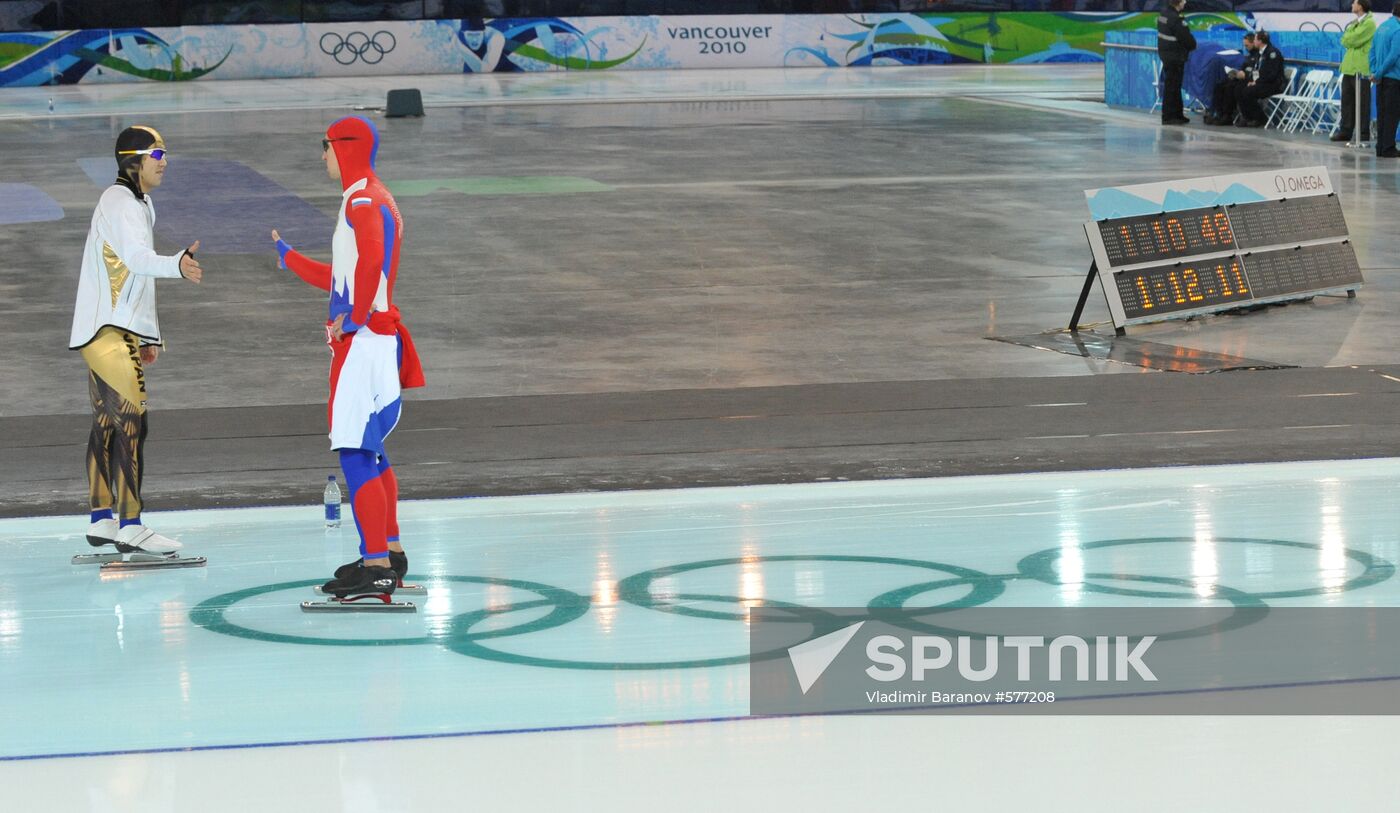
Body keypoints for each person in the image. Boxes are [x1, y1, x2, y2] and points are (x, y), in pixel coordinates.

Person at [271, 116, 425, 600]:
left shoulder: (362, 200)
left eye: (325, 146)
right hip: (374, 341)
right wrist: (289, 258)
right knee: (372, 450)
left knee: (355, 452)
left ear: (345, 147)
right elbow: (346, 275)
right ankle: (388, 552)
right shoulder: (370, 195)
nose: (322, 156)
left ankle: (376, 565)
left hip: (364, 344)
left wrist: (356, 318)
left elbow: (373, 263)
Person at [70, 125, 203, 558]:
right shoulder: (120, 201)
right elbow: (138, 261)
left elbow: (134, 280)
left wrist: (149, 335)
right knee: (133, 423)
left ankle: (101, 518)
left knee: (107, 424)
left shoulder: (139, 203)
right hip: (108, 330)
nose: (164, 162)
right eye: (157, 155)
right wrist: (178, 265)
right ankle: (131, 524)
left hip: (109, 328)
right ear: (134, 160)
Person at [1333, 0, 1376, 142]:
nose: (1352, 5)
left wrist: (1349, 37)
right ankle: (1345, 131)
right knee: (1347, 101)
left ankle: (1363, 133)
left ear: (1361, 6)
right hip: (1349, 68)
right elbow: (1344, 40)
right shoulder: (1354, 22)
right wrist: (1349, 36)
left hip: (1361, 69)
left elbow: (1354, 40)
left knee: (1362, 103)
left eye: (1354, 3)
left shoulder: (1369, 23)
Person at [1234, 31, 1286, 127]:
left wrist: (1256, 82)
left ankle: (1260, 118)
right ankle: (1247, 117)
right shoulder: (1260, 53)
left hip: (1273, 84)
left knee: (1248, 91)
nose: (1253, 41)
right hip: (1261, 82)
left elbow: (1271, 75)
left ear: (1260, 41)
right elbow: (1257, 70)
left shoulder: (1272, 53)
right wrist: (1253, 81)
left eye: (1255, 39)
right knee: (1239, 88)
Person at [1157, 0, 1197, 125]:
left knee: (1173, 85)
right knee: (1172, 87)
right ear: (1178, 3)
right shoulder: (1176, 19)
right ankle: (1169, 116)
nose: (1185, 2)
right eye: (1183, 0)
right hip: (1175, 56)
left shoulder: (1163, 15)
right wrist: (1192, 46)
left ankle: (1177, 114)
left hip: (1166, 55)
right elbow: (1188, 41)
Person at [1205, 32, 1258, 126]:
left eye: (1247, 45)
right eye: (1245, 45)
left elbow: (1257, 72)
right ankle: (1218, 112)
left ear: (1253, 42)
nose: (1246, 48)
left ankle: (1227, 115)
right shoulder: (1249, 57)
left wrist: (1245, 75)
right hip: (1242, 77)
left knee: (1231, 87)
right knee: (1220, 86)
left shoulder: (1259, 56)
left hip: (1250, 80)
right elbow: (1244, 67)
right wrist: (1236, 73)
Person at [1371, 9, 1400, 157]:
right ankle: (1388, 148)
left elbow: (1372, 51)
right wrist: (1379, 72)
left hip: (1381, 79)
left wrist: (1374, 72)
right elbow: (1394, 56)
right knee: (1392, 114)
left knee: (1382, 112)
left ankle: (1380, 147)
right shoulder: (1397, 30)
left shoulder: (1381, 27)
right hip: (1394, 78)